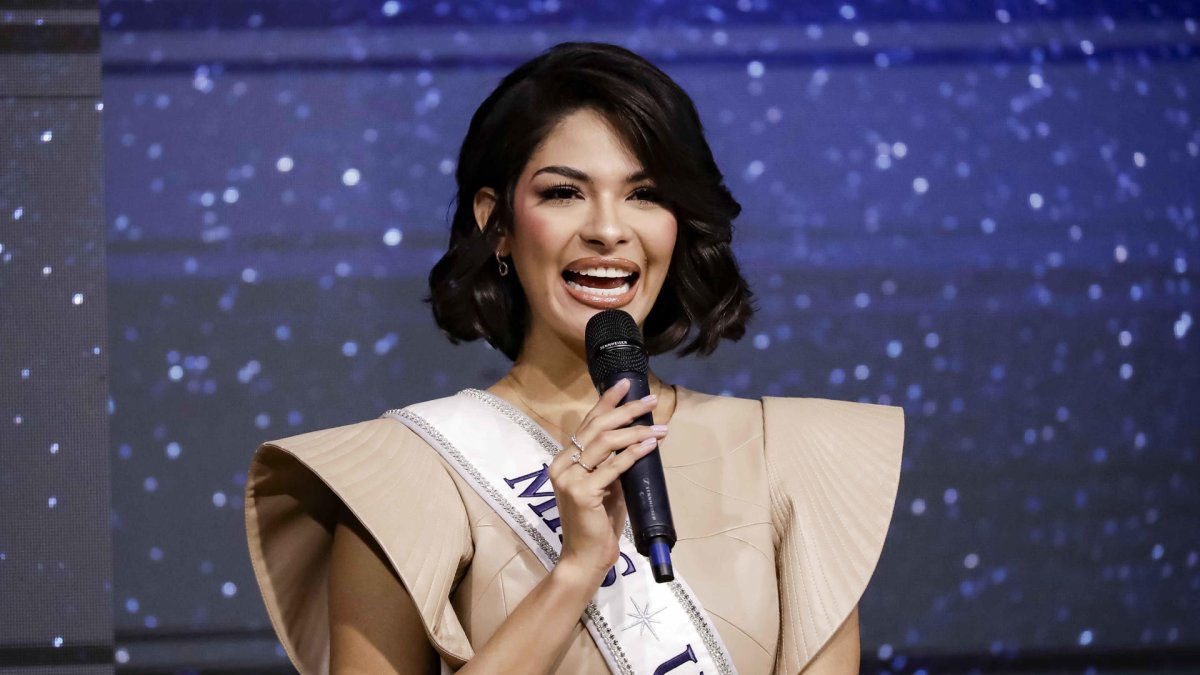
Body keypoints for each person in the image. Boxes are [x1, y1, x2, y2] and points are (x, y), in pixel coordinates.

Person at [244, 42, 903, 674]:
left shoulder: (789, 455)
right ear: (495, 221)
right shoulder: (401, 472)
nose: (609, 229)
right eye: (564, 192)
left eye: (645, 193)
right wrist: (576, 571)